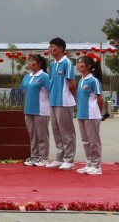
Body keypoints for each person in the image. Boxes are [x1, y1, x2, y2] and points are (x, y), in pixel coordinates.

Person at [46, 37, 77, 171]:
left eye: (52, 46)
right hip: (53, 100)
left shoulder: (67, 63)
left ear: (60, 48)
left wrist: (72, 98)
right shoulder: (53, 64)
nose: (50, 49)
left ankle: (69, 159)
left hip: (64, 102)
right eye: (50, 46)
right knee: (56, 130)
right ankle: (59, 157)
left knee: (66, 131)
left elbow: (71, 83)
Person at [19, 53, 51, 167]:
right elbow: (23, 90)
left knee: (42, 135)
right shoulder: (27, 77)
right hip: (28, 109)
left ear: (39, 63)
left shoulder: (44, 77)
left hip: (41, 110)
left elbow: (50, 91)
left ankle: (43, 158)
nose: (30, 63)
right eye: (29, 61)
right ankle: (34, 156)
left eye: (33, 61)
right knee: (32, 135)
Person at [75, 54, 105, 175]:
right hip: (81, 114)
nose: (78, 65)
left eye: (81, 63)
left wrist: (98, 112)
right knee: (86, 141)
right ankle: (89, 163)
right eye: (77, 63)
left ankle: (96, 166)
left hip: (92, 115)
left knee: (94, 141)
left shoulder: (93, 81)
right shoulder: (81, 80)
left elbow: (100, 98)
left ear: (89, 66)